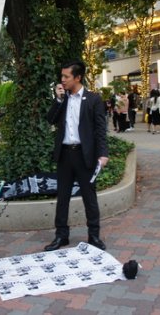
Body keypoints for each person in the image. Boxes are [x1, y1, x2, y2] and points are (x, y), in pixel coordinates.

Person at [45, 59, 109, 251]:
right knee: (62, 197)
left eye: (66, 76)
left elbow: (100, 129)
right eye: (61, 76)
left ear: (78, 77)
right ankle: (61, 235)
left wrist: (103, 154)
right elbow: (51, 119)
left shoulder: (93, 99)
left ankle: (94, 235)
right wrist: (57, 99)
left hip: (84, 155)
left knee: (89, 197)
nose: (62, 80)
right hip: (65, 155)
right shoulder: (62, 99)